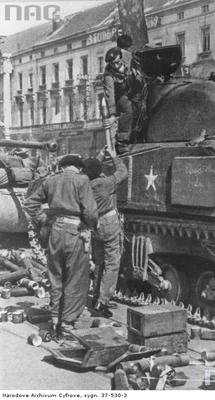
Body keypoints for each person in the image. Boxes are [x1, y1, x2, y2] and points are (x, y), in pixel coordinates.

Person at [24, 154, 98, 338]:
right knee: (76, 279)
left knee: (56, 277)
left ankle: (55, 320)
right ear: (79, 168)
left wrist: (43, 219)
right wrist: (89, 224)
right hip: (75, 232)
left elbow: (30, 203)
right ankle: (66, 325)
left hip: (55, 231)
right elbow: (91, 212)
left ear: (63, 166)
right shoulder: (82, 180)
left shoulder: (51, 180)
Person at [83, 147, 128, 318]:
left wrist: (100, 155)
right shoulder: (105, 183)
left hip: (95, 226)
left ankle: (96, 298)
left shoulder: (85, 184)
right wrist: (115, 157)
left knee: (99, 262)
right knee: (112, 264)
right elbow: (123, 172)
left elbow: (91, 168)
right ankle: (103, 302)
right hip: (109, 224)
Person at [103, 46, 133, 154]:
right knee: (127, 109)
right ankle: (121, 141)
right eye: (112, 64)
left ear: (121, 57)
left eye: (117, 62)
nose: (115, 66)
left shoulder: (129, 59)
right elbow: (110, 94)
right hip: (120, 94)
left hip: (134, 88)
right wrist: (112, 114)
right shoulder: (108, 74)